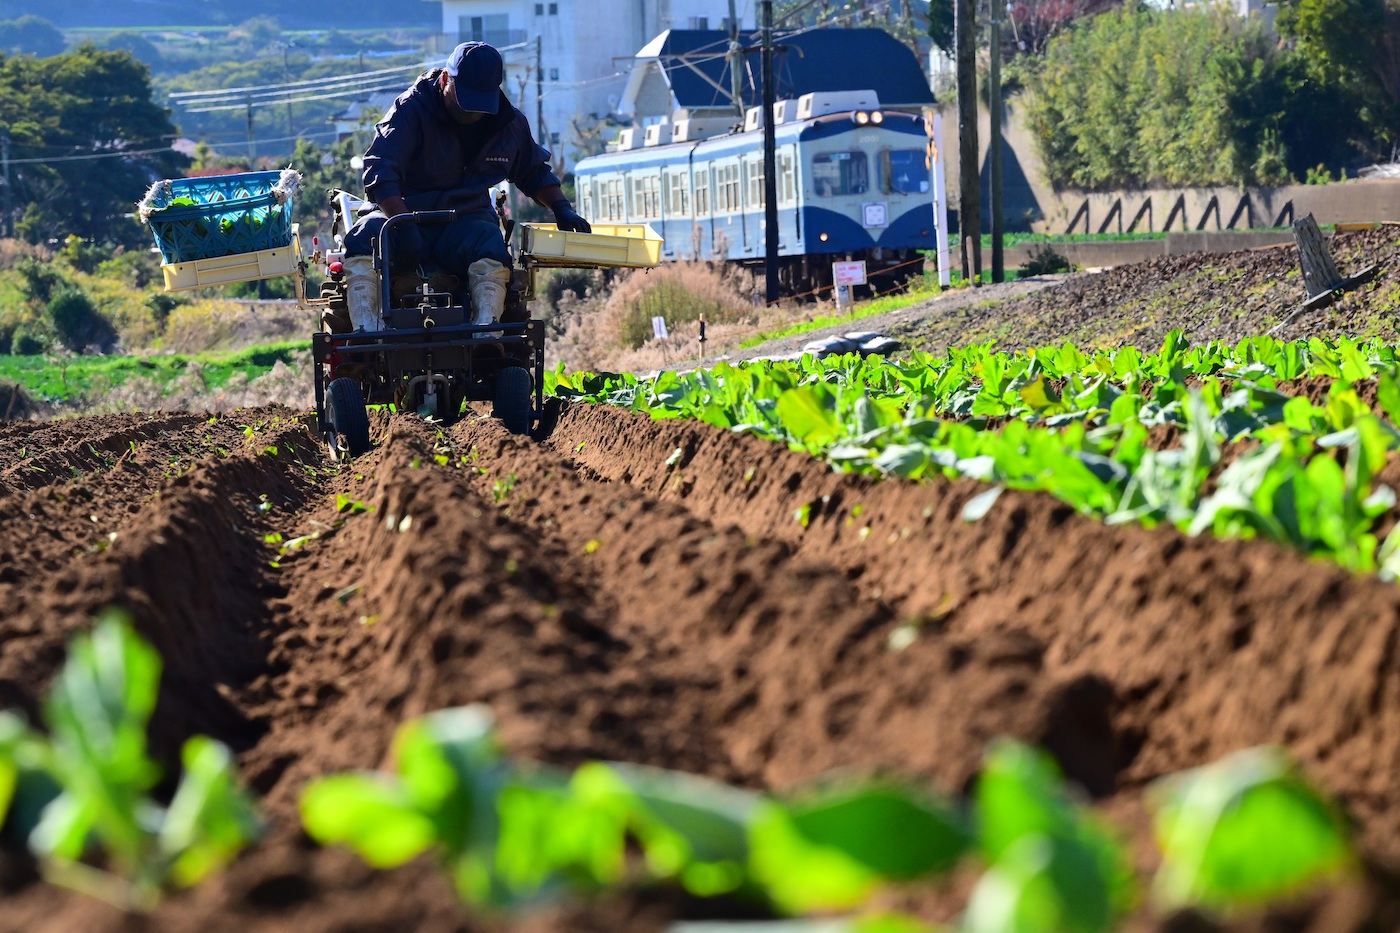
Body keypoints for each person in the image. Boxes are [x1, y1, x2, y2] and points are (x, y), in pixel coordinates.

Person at [343, 41, 591, 327]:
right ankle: (367, 331)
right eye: (466, 100)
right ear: (446, 79)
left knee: (490, 241)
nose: (472, 113)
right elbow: (379, 168)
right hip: (402, 214)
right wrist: (402, 221)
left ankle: (485, 332)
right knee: (366, 236)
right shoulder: (411, 109)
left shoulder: (507, 123)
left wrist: (561, 208)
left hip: (463, 221)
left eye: (479, 103)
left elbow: (532, 170)